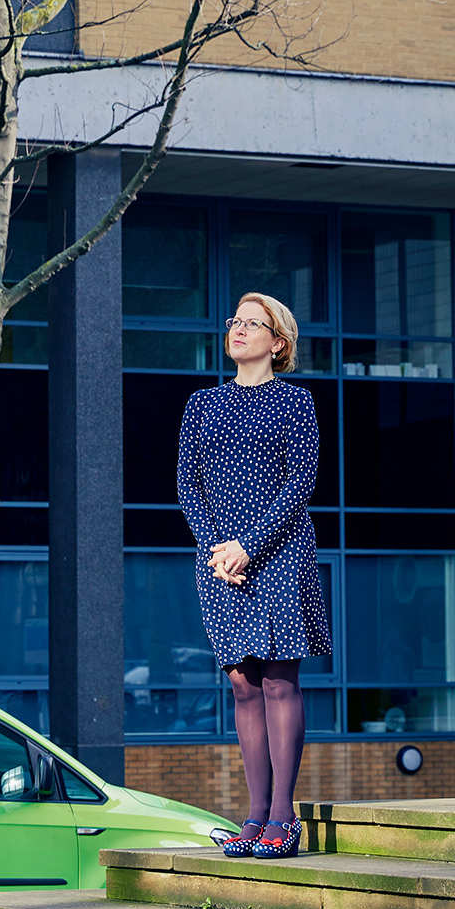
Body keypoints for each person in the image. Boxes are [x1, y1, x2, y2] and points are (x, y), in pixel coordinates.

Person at [176, 292, 329, 859]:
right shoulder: (202, 404)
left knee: (278, 681)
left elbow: (300, 483)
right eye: (233, 321)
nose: (238, 330)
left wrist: (249, 545)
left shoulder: (295, 402)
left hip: (280, 550)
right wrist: (218, 548)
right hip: (218, 558)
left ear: (278, 342)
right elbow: (188, 486)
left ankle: (283, 819)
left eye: (251, 323)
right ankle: (255, 815)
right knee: (242, 682)